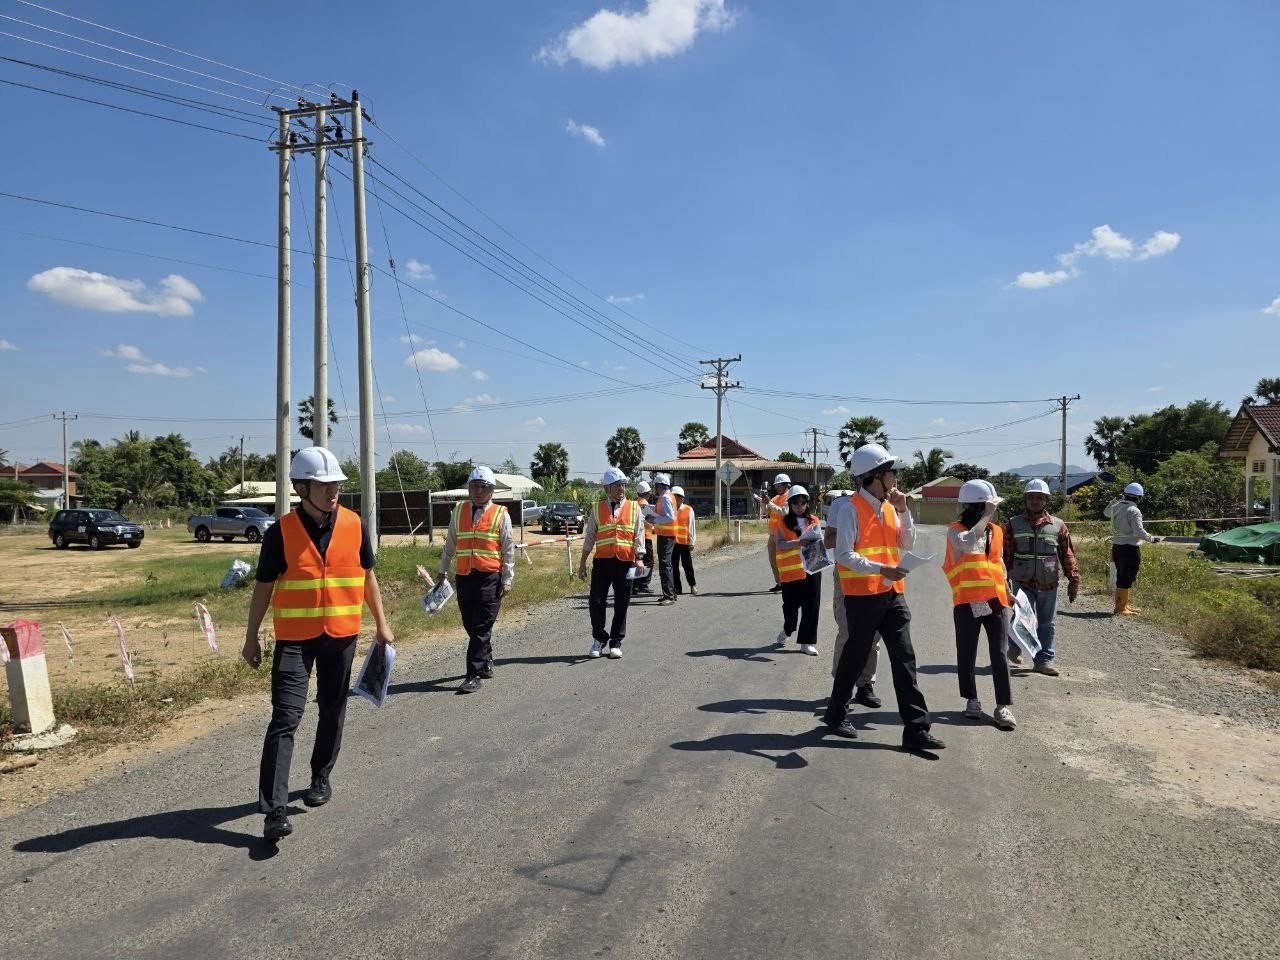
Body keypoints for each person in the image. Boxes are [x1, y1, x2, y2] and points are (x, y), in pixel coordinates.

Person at [242, 446, 394, 842]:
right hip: (294, 640)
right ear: (301, 488)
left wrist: (382, 624)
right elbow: (263, 588)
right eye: (324, 485)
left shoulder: (355, 525)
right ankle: (274, 810)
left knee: (332, 708)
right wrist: (251, 637)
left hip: (341, 636)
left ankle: (320, 777)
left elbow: (367, 576)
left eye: (336, 484)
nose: (333, 491)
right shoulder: (280, 533)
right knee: (286, 717)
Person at [823, 443, 944, 751]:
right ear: (874, 476)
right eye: (890, 472)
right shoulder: (850, 509)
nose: (895, 477)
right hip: (862, 597)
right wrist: (881, 569)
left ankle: (916, 730)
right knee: (854, 659)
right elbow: (844, 554)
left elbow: (907, 542)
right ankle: (835, 715)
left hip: (892, 595)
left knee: (905, 659)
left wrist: (904, 511)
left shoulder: (890, 507)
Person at [944, 480, 1016, 731]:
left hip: (996, 600)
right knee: (967, 652)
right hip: (967, 601)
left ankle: (1002, 706)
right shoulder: (955, 530)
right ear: (979, 507)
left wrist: (1008, 590)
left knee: (1000, 654)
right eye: (990, 507)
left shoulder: (996, 530)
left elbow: (999, 562)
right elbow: (967, 543)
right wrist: (986, 517)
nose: (994, 511)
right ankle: (972, 700)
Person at [438, 465, 516, 692]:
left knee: (482, 626)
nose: (479, 491)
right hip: (464, 576)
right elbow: (450, 543)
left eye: (483, 487)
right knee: (470, 624)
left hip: (489, 578)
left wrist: (507, 579)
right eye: (474, 486)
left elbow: (508, 549)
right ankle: (486, 659)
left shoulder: (501, 514)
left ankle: (473, 674)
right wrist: (442, 570)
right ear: (469, 488)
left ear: (492, 490)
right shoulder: (458, 511)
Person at [1003, 478, 1081, 675]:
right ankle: (1014, 646)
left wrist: (1073, 578)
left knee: (1047, 623)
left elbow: (1067, 554)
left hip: (1048, 583)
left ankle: (1043, 661)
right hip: (1022, 581)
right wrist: (1003, 582)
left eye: (1039, 497)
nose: (1035, 501)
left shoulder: (1058, 525)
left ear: (1046, 500)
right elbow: (1005, 556)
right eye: (1031, 497)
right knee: (1022, 617)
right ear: (1025, 499)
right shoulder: (1013, 524)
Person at [578, 467, 646, 658]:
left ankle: (616, 642)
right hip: (602, 562)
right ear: (607, 488)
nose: (621, 489)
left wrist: (640, 558)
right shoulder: (597, 508)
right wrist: (582, 563)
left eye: (623, 485)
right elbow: (590, 537)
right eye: (617, 486)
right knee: (596, 601)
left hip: (626, 562)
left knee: (622, 602)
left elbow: (639, 534)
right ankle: (599, 639)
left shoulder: (634, 508)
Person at [823, 488, 881, 708]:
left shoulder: (887, 506)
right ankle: (841, 689)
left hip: (877, 577)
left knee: (873, 635)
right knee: (847, 632)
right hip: (848, 578)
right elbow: (829, 540)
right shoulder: (843, 505)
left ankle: (865, 685)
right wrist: (854, 528)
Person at [773, 485, 822, 656]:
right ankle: (788, 629)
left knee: (812, 606)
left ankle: (806, 643)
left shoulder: (814, 520)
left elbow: (819, 541)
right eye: (795, 503)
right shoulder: (782, 522)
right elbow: (779, 544)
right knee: (790, 608)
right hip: (791, 573)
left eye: (803, 503)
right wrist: (798, 542)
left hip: (812, 569)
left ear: (807, 503)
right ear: (790, 504)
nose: (799, 507)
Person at [1104, 482, 1162, 616]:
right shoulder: (1134, 511)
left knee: (1122, 576)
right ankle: (1120, 608)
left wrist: (1114, 500)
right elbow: (1138, 531)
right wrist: (1152, 539)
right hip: (1129, 549)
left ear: (1125, 494)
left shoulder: (1116, 507)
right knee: (1126, 577)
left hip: (1117, 547)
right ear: (1139, 497)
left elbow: (1106, 513)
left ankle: (1123, 604)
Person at [643, 473, 679, 605]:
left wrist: (654, 519)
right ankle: (670, 594)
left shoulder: (665, 497)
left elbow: (669, 517)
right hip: (666, 535)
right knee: (666, 564)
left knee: (665, 565)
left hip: (666, 535)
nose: (655, 489)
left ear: (660, 486)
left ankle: (669, 596)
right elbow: (663, 511)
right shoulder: (667, 496)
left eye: (656, 486)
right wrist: (649, 508)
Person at [761, 473, 792, 592]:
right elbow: (766, 511)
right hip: (773, 534)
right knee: (773, 560)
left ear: (786, 485)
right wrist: (763, 502)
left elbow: (783, 512)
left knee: (783, 561)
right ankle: (779, 583)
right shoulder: (775, 498)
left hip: (784, 535)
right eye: (776, 485)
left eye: (779, 485)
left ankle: (787, 583)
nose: (777, 487)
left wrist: (769, 503)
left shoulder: (790, 497)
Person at [671, 485, 698, 596]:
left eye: (674, 497)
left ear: (680, 498)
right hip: (673, 543)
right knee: (674, 566)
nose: (672, 499)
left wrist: (692, 542)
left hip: (685, 543)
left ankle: (692, 585)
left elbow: (691, 527)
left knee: (687, 565)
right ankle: (677, 588)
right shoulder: (670, 509)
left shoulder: (688, 509)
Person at [634, 480, 655, 595]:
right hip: (645, 537)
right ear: (647, 493)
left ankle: (634, 585)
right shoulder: (645, 504)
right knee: (648, 561)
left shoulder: (634, 503)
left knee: (637, 561)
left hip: (636, 537)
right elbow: (650, 520)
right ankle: (643, 584)